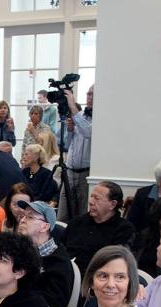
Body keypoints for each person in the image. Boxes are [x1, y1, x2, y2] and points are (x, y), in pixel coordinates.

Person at [63, 181, 135, 273]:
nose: (91, 202)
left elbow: (117, 262)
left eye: (97, 198)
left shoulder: (124, 229)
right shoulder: (76, 223)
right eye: (91, 197)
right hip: (67, 274)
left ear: (112, 204)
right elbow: (61, 249)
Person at [16, 199, 75, 307]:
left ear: (45, 227)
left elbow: (55, 301)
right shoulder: (19, 252)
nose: (22, 220)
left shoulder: (58, 262)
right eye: (23, 216)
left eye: (30, 217)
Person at [56, 86, 93, 223]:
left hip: (86, 173)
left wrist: (72, 105)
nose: (89, 97)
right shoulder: (80, 116)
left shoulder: (96, 119)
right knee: (62, 214)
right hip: (70, 170)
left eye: (92, 94)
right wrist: (70, 130)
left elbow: (88, 132)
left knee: (82, 213)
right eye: (88, 94)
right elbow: (64, 144)